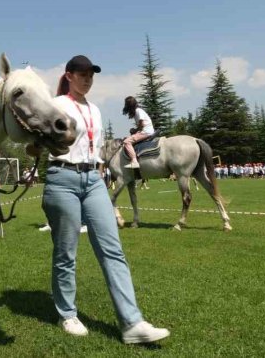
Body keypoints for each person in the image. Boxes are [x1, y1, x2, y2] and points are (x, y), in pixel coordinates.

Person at [39, 55, 170, 344]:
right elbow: (38, 136)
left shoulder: (95, 110)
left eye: (91, 74)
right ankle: (67, 314)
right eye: (82, 73)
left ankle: (132, 323)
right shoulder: (56, 104)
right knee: (66, 252)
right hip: (63, 178)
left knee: (113, 249)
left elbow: (95, 148)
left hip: (93, 180)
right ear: (69, 75)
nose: (88, 78)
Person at [121, 96, 154, 169]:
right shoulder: (137, 111)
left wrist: (135, 130)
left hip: (146, 131)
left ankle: (134, 161)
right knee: (129, 138)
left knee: (126, 142)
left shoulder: (138, 111)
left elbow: (141, 125)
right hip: (146, 131)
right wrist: (135, 131)